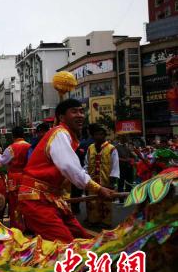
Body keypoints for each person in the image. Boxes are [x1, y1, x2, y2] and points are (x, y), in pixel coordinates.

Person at [17, 99, 116, 243]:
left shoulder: (67, 135)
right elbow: (69, 167)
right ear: (62, 117)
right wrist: (98, 189)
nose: (80, 115)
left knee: (83, 238)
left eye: (82, 111)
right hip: (37, 199)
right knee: (66, 246)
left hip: (51, 197)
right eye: (74, 111)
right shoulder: (59, 133)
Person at [84, 124, 119, 228]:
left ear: (104, 135)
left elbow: (115, 165)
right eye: (96, 134)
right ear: (93, 136)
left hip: (106, 182)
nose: (98, 136)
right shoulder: (90, 148)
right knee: (92, 202)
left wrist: (112, 182)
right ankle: (93, 220)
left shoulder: (111, 148)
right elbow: (86, 164)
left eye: (101, 134)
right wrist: (85, 178)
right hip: (92, 181)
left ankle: (106, 222)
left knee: (105, 203)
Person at [0, 126, 31, 229]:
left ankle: (17, 227)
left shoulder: (11, 148)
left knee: (15, 203)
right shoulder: (29, 146)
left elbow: (1, 162)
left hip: (14, 178)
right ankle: (29, 226)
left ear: (13, 136)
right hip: (27, 177)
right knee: (28, 202)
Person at [115, 136, 134, 203]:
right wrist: (125, 160)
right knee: (121, 184)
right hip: (121, 168)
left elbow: (133, 155)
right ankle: (121, 199)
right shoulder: (116, 147)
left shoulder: (127, 147)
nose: (126, 139)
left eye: (126, 137)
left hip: (129, 167)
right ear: (120, 138)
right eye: (124, 137)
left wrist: (133, 155)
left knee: (129, 183)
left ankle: (128, 198)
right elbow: (116, 158)